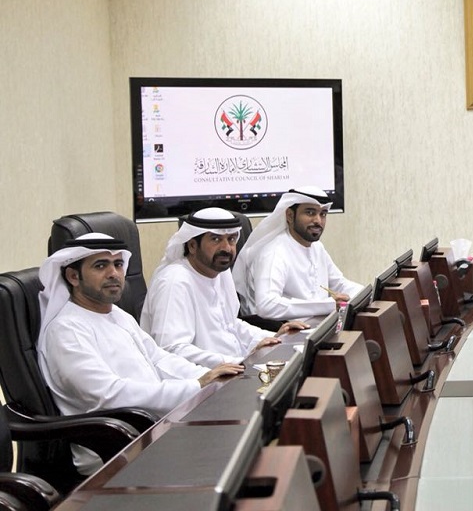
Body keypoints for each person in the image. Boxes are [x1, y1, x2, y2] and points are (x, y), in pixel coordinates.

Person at [37, 233, 242, 474]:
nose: (114, 273)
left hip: (155, 427)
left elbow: (159, 359)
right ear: (73, 276)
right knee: (229, 454)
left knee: (241, 436)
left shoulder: (116, 314)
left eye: (118, 264)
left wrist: (210, 376)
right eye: (101, 266)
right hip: (116, 448)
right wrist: (195, 386)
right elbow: (109, 394)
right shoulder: (66, 330)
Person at [141, 208, 307, 367]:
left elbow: (230, 324)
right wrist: (236, 362)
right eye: (216, 239)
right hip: (201, 378)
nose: (226, 248)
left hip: (233, 369)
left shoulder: (220, 271)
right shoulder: (174, 282)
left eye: (232, 239)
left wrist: (273, 337)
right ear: (192, 246)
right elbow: (172, 349)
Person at [233, 186, 363, 320]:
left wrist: (366, 294)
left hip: (320, 326)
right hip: (284, 329)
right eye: (310, 213)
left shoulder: (317, 247)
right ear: (290, 215)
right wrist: (328, 305)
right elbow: (267, 305)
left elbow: (340, 284)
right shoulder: (274, 252)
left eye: (323, 214)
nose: (318, 221)